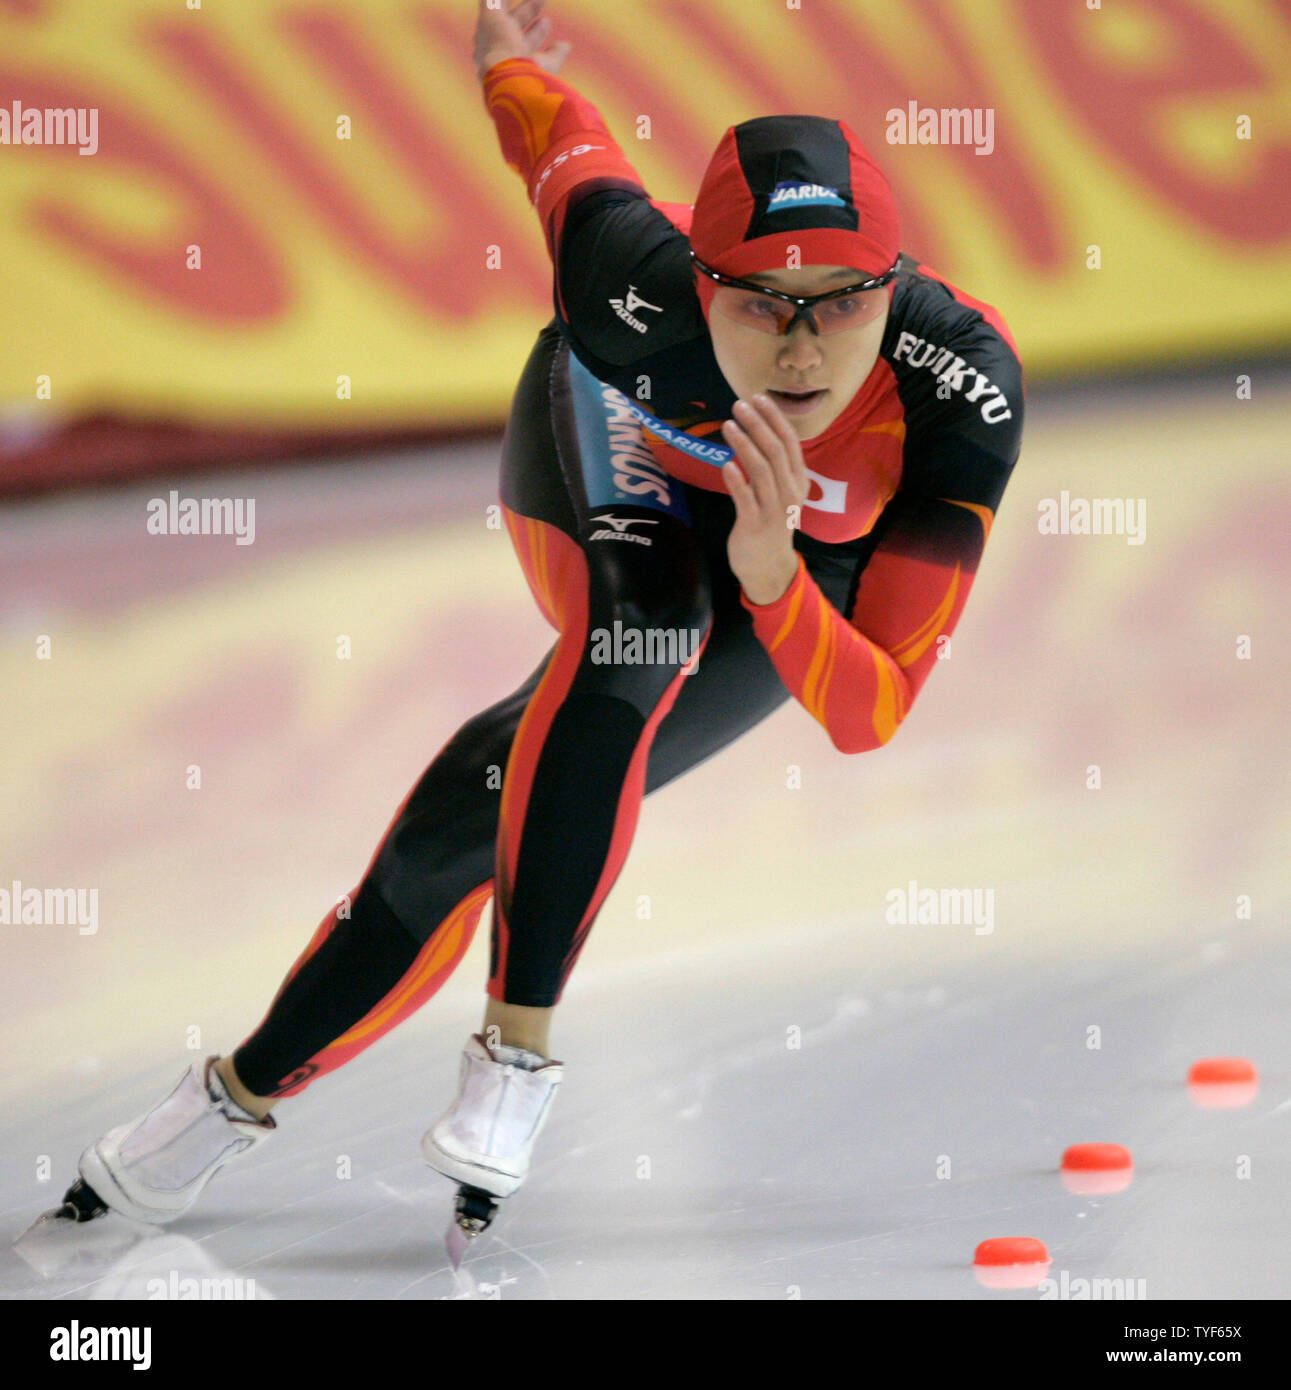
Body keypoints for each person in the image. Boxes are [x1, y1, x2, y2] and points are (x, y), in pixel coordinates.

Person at [57, 0, 1023, 1233]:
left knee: (474, 815)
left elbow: (870, 712)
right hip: (604, 447)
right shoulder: (629, 273)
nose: (797, 344)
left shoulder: (962, 392)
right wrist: (505, 55)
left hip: (786, 566)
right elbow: (558, 144)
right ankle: (513, 1061)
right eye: (756, 301)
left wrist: (776, 576)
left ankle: (220, 1105)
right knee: (645, 626)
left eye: (839, 301)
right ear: (696, 280)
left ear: (895, 286)